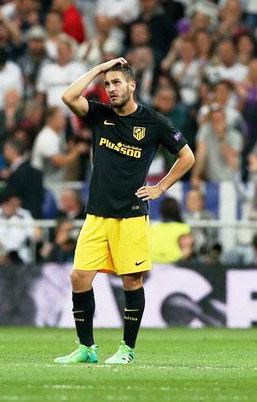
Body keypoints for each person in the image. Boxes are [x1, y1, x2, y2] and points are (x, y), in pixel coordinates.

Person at [56, 58, 194, 365]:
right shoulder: (100, 115)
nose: (111, 89)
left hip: (131, 215)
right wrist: (99, 68)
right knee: (79, 277)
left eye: (117, 83)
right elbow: (68, 97)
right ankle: (86, 348)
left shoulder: (153, 122)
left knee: (132, 281)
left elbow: (186, 156)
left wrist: (160, 187)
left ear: (132, 86)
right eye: (107, 85)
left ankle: (126, 350)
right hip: (97, 215)